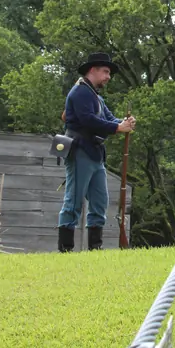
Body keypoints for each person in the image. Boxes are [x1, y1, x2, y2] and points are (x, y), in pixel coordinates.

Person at [58, 52, 135, 252]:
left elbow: (108, 118)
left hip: (94, 153)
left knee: (100, 201)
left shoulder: (95, 96)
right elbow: (88, 120)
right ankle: (65, 249)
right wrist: (118, 128)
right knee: (73, 201)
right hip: (80, 149)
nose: (109, 77)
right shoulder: (81, 92)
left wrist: (123, 122)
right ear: (93, 70)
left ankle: (95, 247)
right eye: (106, 72)